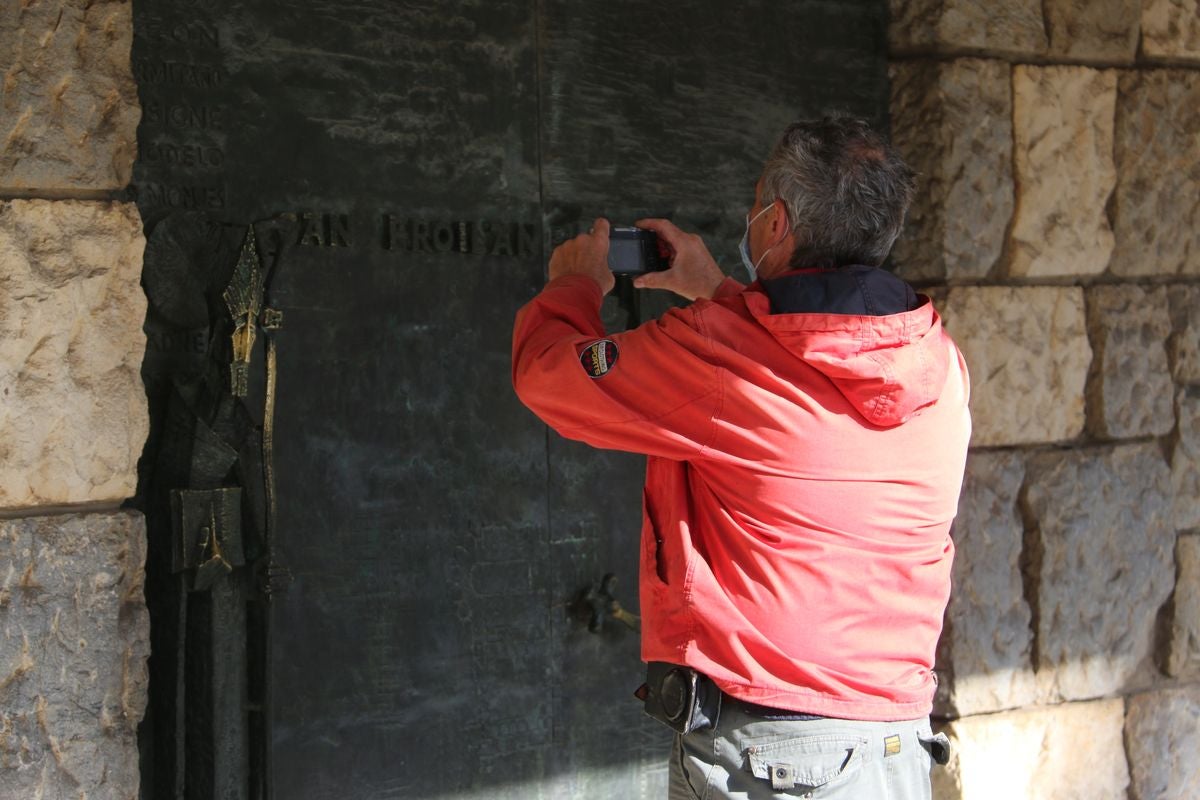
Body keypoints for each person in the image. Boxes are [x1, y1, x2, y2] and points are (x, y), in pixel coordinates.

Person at [511, 116, 970, 800]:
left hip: (776, 758)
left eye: (756, 201)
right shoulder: (939, 360)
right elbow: (799, 368)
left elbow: (549, 375)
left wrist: (574, 286)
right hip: (893, 750)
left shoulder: (722, 357)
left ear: (776, 222)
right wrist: (715, 289)